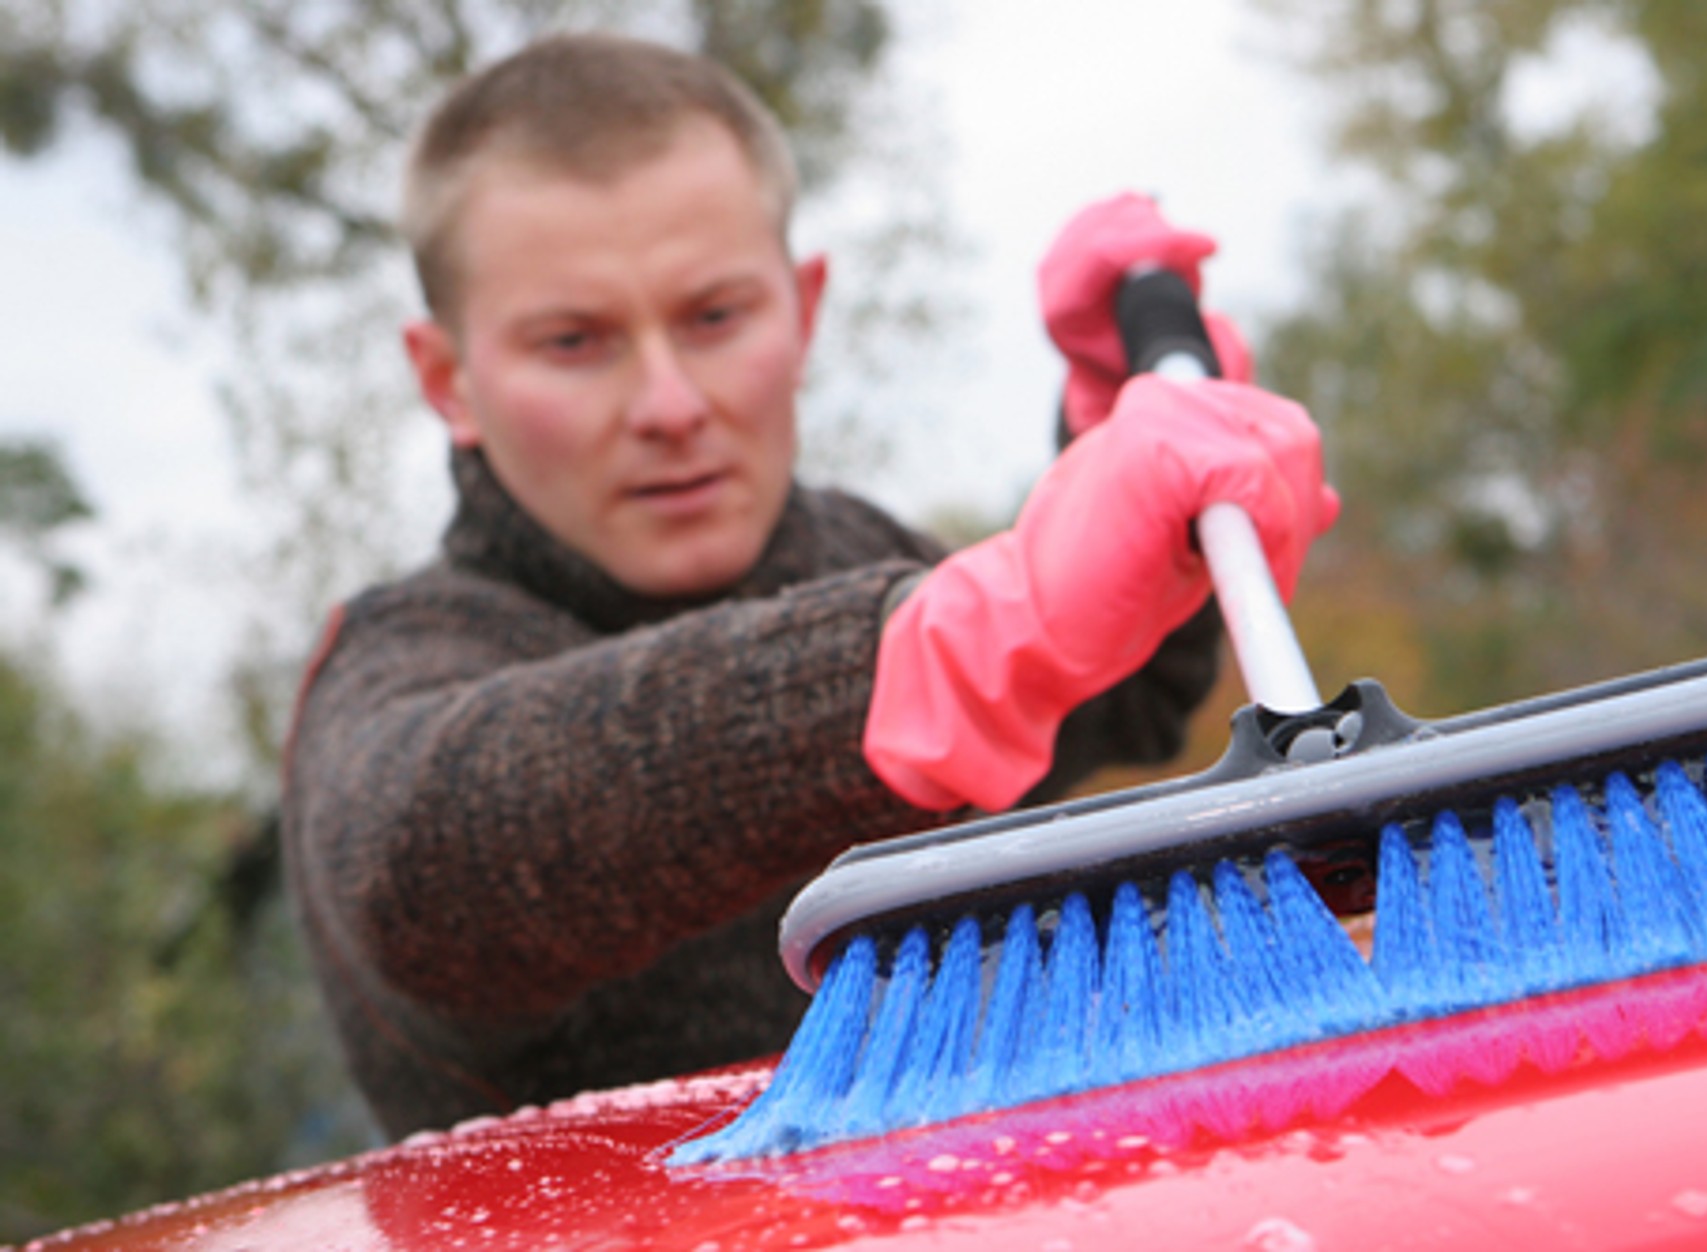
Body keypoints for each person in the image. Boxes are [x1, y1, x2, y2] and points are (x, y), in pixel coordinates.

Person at [280, 32, 1338, 1139]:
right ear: (447, 379)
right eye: (574, 341)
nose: (669, 403)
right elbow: (425, 869)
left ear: (804, 307)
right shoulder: (399, 662)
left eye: (714, 317)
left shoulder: (858, 548)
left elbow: (1118, 704)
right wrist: (933, 661)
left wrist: (1120, 474)